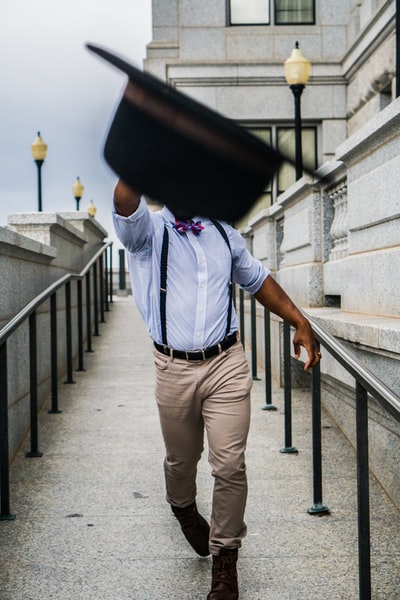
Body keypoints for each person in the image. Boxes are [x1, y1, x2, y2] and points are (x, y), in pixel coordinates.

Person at [113, 179, 321, 600]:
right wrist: (138, 155)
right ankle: (183, 507)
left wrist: (299, 321)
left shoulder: (225, 232)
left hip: (226, 361)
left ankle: (225, 561)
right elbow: (124, 202)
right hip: (173, 366)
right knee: (181, 459)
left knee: (229, 465)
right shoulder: (149, 233)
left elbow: (258, 279)